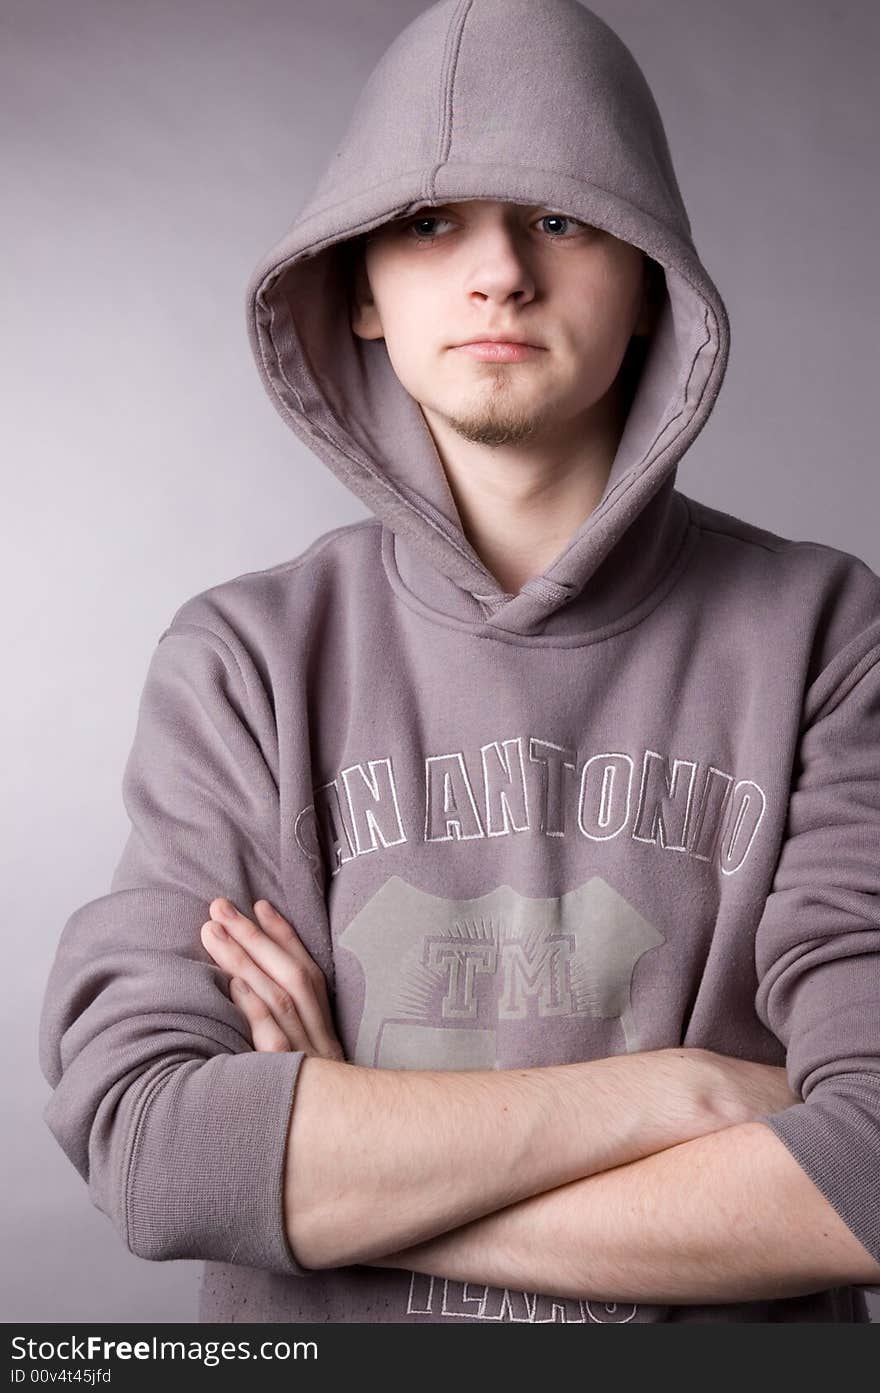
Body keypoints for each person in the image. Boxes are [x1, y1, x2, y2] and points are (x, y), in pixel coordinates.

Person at [38, 0, 880, 1325]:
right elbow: (155, 1146)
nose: (500, 273)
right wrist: (693, 1094)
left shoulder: (829, 635)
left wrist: (351, 1163)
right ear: (359, 288)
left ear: (653, 278)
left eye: (562, 216)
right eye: (432, 220)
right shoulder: (243, 664)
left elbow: (868, 1172)